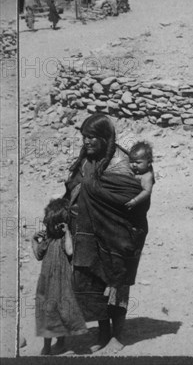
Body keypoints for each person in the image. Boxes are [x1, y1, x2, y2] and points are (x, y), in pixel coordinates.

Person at [64, 113, 149, 355]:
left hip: (118, 234)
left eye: (92, 137)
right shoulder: (84, 161)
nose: (87, 142)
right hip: (88, 234)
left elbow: (135, 195)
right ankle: (102, 333)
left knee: (118, 283)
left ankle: (118, 336)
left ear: (105, 137)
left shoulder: (123, 162)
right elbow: (73, 190)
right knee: (93, 281)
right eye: (84, 137)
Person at [32, 198, 87, 355]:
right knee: (47, 312)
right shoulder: (48, 239)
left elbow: (70, 251)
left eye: (58, 223)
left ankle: (61, 343)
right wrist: (34, 240)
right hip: (47, 283)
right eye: (52, 224)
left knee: (63, 312)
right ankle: (47, 346)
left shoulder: (65, 239)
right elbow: (38, 255)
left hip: (63, 283)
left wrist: (67, 232)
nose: (54, 227)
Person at [124, 141, 155, 210]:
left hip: (139, 204)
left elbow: (146, 191)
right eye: (131, 161)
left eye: (138, 162)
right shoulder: (134, 171)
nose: (134, 164)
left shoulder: (147, 176)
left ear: (149, 163)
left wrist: (135, 201)